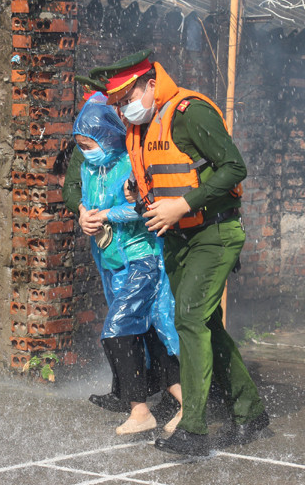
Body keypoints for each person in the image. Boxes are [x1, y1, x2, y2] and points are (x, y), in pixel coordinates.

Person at [90, 50, 269, 456]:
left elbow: (234, 167)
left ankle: (194, 428)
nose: (123, 108)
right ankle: (250, 411)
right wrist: (139, 200)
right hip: (176, 237)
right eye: (117, 102)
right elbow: (160, 184)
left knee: (188, 318)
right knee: (207, 325)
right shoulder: (141, 128)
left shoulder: (189, 112)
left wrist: (183, 205)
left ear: (152, 84)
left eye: (128, 96)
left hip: (214, 231)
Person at [66, 90, 183, 435]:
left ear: (106, 135)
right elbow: (85, 200)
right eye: (82, 146)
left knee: (120, 330)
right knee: (144, 333)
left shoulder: (130, 161)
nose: (86, 152)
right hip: (111, 261)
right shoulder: (90, 168)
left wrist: (108, 214)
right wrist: (85, 215)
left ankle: (147, 409)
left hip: (141, 258)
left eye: (90, 144)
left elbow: (143, 205)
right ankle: (160, 405)